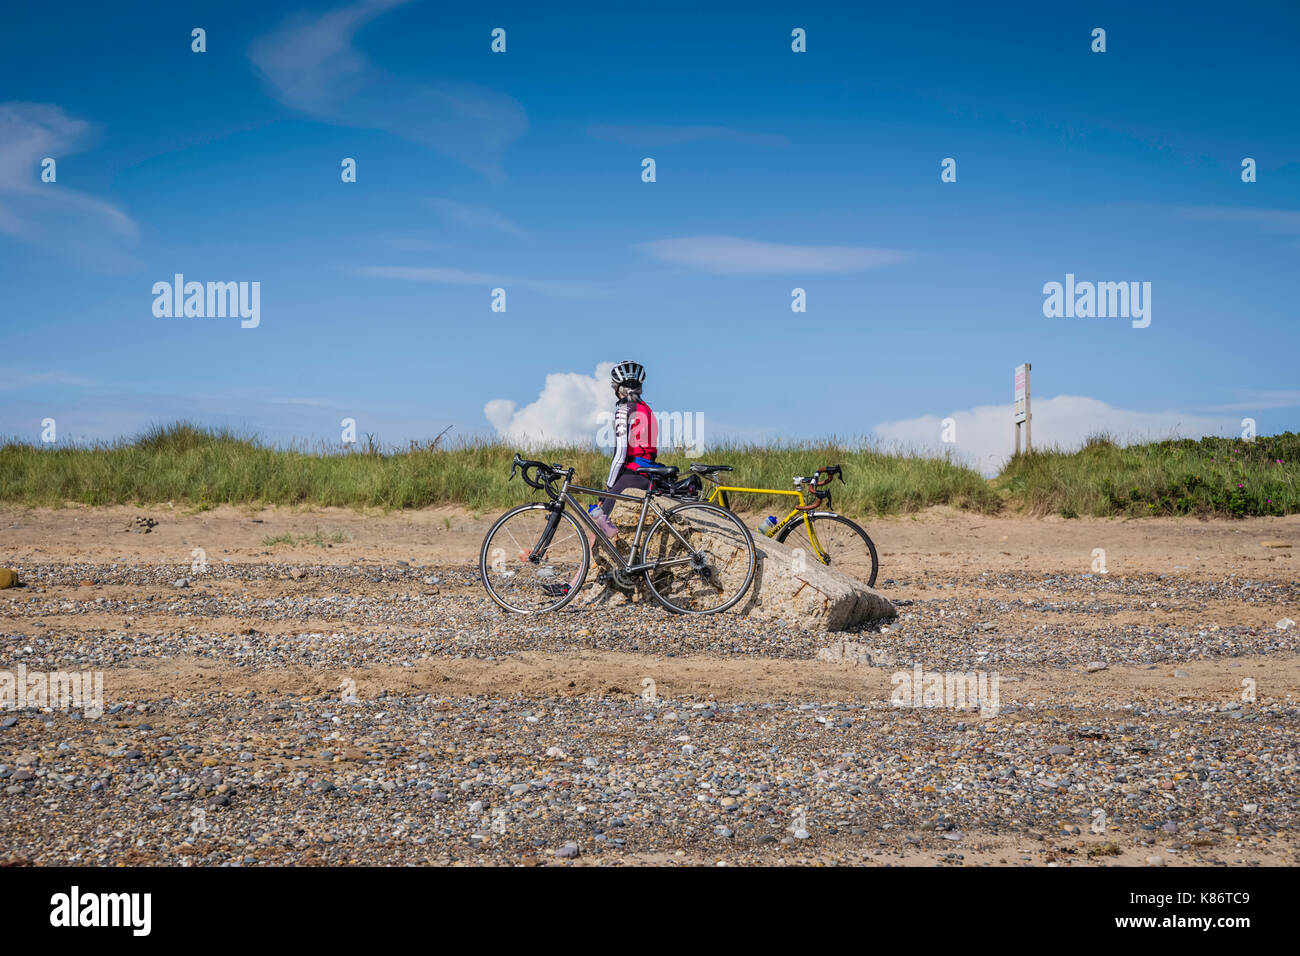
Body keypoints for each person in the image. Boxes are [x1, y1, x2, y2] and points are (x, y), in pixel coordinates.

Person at [591, 360, 657, 538]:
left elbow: (620, 455)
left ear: (617, 388)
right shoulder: (647, 409)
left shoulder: (623, 410)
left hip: (631, 475)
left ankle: (587, 564)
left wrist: (608, 488)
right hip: (647, 474)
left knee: (597, 525)